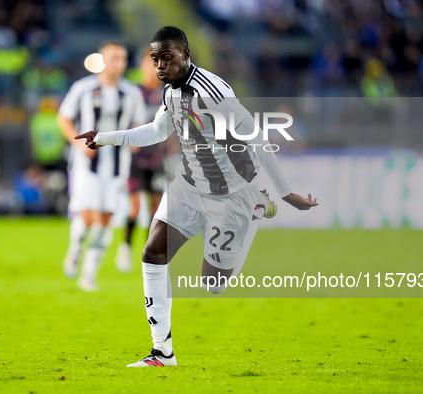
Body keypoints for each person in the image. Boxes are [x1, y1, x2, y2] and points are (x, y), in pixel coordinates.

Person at [76, 26, 318, 367]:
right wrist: (105, 137)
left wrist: (286, 191)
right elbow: (157, 131)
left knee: (213, 285)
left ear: (186, 54)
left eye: (167, 58)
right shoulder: (171, 91)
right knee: (152, 254)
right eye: (155, 59)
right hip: (188, 188)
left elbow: (258, 140)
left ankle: (257, 207)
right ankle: (162, 351)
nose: (160, 66)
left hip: (231, 195)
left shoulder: (214, 92)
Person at [58, 42, 146, 291]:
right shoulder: (83, 88)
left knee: (106, 220)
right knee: (87, 217)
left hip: (118, 166)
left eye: (123, 59)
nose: (119, 63)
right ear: (103, 60)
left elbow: (139, 125)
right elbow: (63, 117)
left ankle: (89, 274)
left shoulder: (131, 93)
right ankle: (75, 250)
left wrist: (136, 141)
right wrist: (77, 145)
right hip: (87, 164)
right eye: (114, 58)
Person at [116, 48, 166, 273]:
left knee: (156, 209)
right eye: (149, 64)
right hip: (135, 158)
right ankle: (125, 247)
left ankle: (149, 253)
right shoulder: (133, 92)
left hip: (157, 158)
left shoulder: (167, 93)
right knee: (135, 208)